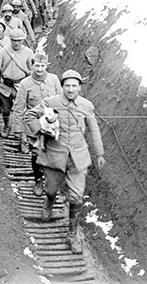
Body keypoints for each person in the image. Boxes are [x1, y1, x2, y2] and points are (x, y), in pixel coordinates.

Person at [24, 70, 105, 254]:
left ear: (79, 87)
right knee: (51, 190)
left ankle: (72, 234)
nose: (70, 89)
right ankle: (49, 202)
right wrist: (42, 131)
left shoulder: (86, 105)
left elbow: (94, 130)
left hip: (78, 158)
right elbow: (29, 116)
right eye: (67, 85)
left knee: (76, 197)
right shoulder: (51, 102)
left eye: (74, 86)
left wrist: (99, 153)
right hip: (54, 156)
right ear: (62, 86)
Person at [12, 51, 61, 196]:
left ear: (47, 65)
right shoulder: (25, 84)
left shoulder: (54, 80)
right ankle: (38, 180)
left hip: (51, 125)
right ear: (31, 66)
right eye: (37, 66)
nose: (40, 69)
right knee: (36, 155)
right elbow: (19, 108)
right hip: (33, 128)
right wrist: (17, 129)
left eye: (43, 66)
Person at [0, 28, 34, 139]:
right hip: (5, 85)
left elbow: (32, 70)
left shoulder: (28, 52)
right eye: (14, 40)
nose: (16, 43)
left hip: (21, 85)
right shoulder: (3, 52)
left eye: (19, 40)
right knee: (5, 109)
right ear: (10, 40)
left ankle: (22, 134)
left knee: (23, 110)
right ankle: (7, 126)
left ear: (23, 40)